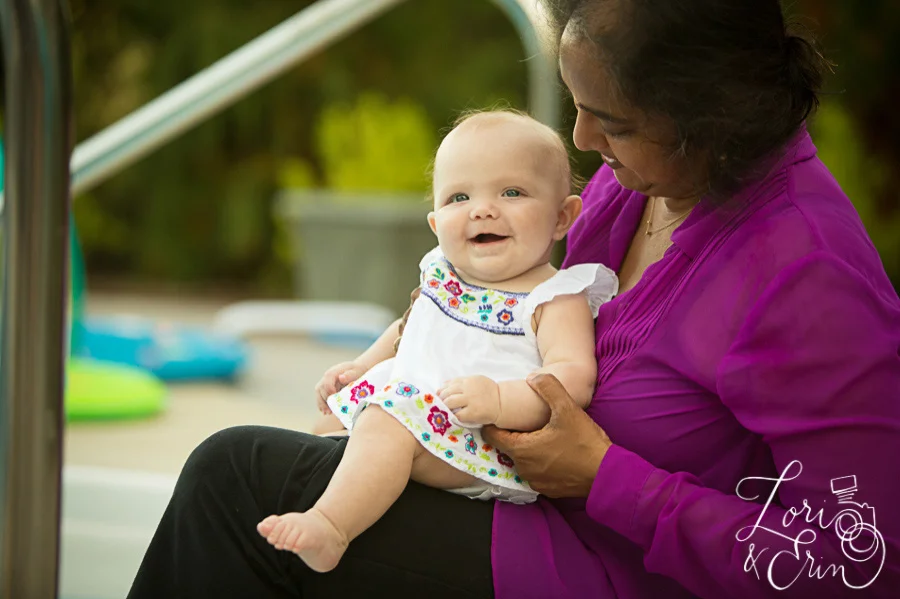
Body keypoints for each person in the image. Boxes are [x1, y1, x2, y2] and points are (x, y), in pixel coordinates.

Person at [127, 0, 900, 597]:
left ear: (709, 118)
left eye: (614, 120)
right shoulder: (645, 183)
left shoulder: (808, 276)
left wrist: (609, 479)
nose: (583, 136)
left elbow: (858, 566)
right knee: (285, 475)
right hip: (523, 511)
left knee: (235, 480)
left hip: (613, 572)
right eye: (578, 102)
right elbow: (504, 301)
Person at [255, 109, 618, 573]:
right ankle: (308, 534)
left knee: (386, 427)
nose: (482, 209)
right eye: (458, 197)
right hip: (414, 408)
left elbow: (572, 378)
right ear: (435, 223)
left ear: (561, 217)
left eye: (512, 192)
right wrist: (362, 366)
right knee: (324, 433)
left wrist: (501, 400)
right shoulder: (442, 273)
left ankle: (331, 528)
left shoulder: (553, 296)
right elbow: (408, 327)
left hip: (479, 441)